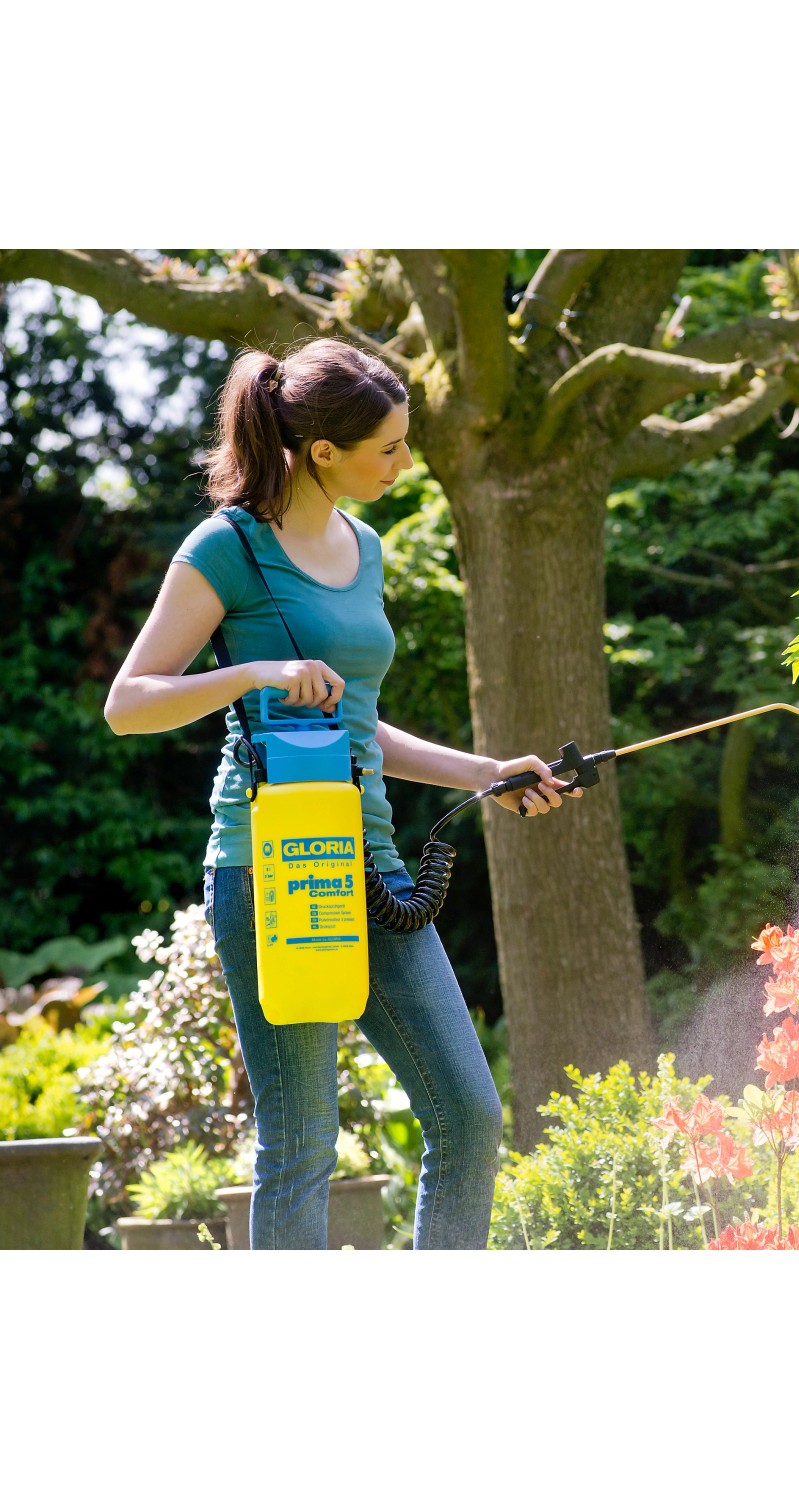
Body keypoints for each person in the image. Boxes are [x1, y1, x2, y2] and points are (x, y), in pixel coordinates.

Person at [104, 336, 579, 1249]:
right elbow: (130, 704)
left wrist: (487, 774)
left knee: (470, 1117)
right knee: (303, 1145)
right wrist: (255, 676)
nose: (405, 461)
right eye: (390, 447)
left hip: (375, 868)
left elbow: (360, 726)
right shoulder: (228, 548)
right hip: (270, 869)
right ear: (324, 451)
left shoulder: (364, 547)